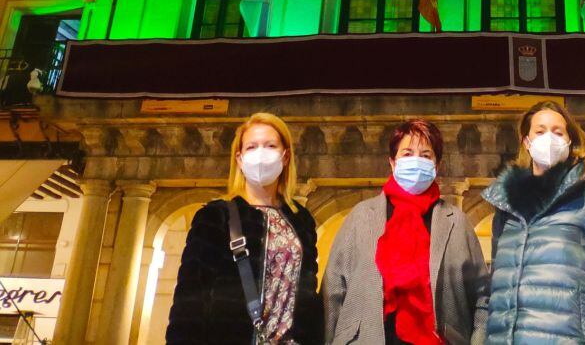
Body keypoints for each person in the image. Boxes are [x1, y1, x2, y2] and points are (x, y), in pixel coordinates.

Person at [323, 118, 489, 344]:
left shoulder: (457, 222)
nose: (416, 161)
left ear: (436, 166)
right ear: (392, 163)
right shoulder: (361, 216)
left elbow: (482, 297)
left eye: (426, 155)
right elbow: (333, 289)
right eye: (407, 153)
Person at [484, 99, 585, 345]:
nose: (549, 138)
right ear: (526, 142)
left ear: (569, 141)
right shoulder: (506, 208)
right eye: (540, 131)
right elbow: (495, 291)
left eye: (558, 131)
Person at [166, 111, 323, 344]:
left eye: (270, 145)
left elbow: (307, 296)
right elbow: (190, 300)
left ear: (286, 156)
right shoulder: (215, 216)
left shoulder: (301, 220)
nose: (260, 153)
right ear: (239, 159)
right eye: (251, 147)